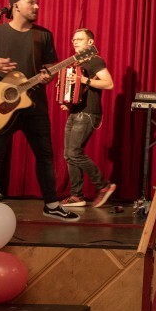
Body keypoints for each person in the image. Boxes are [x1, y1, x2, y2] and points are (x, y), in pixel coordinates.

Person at [0, 0, 79, 221]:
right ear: (15, 6)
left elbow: (49, 66)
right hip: (0, 106)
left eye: (37, 3)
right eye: (31, 3)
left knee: (45, 156)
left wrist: (48, 75)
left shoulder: (43, 35)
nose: (37, 7)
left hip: (34, 106)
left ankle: (52, 204)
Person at [60, 28, 117, 209]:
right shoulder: (78, 63)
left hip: (88, 113)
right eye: (74, 39)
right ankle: (76, 196)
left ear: (90, 42)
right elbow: (78, 89)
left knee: (75, 152)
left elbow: (109, 83)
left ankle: (104, 186)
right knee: (69, 155)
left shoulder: (95, 60)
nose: (75, 42)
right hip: (76, 111)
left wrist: (83, 80)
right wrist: (68, 102)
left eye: (80, 39)